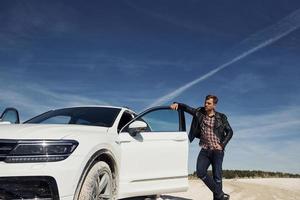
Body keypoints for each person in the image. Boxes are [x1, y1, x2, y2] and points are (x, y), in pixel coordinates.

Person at [170, 95, 233, 200]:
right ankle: (221, 195)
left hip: (217, 151)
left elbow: (230, 132)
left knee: (217, 178)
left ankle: (218, 197)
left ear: (214, 105)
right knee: (200, 172)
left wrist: (222, 145)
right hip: (204, 149)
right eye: (205, 102)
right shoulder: (199, 112)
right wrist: (178, 104)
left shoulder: (221, 117)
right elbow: (187, 108)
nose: (206, 104)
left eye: (209, 103)